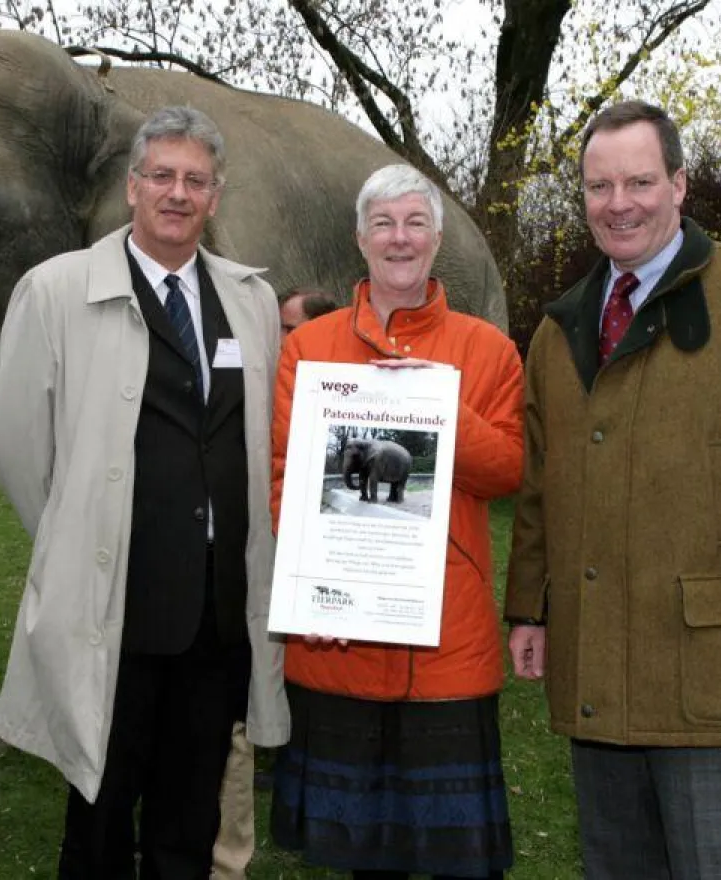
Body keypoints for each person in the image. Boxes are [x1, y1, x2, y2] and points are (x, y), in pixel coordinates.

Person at [505, 100, 721, 878]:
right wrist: (530, 605)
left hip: (706, 660)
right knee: (617, 864)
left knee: (716, 863)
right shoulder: (561, 329)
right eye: (598, 186)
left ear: (680, 184)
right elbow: (538, 485)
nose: (618, 203)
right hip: (595, 657)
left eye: (639, 181)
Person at [0, 105, 288, 880]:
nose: (178, 193)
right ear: (131, 187)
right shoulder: (55, 293)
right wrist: (77, 535)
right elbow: (23, 447)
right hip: (112, 613)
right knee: (98, 817)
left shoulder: (250, 301)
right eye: (162, 175)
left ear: (216, 197)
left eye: (196, 180)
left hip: (217, 622)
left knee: (189, 821)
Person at [269, 164, 525, 879]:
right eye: (383, 224)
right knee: (366, 863)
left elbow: (508, 469)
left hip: (448, 646)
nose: (400, 238)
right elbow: (285, 479)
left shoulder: (488, 350)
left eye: (415, 223)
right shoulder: (307, 347)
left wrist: (441, 410)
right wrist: (309, 584)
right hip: (340, 641)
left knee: (458, 864)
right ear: (360, 239)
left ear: (437, 239)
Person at [211, 283, 335, 880]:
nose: (282, 343)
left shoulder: (339, 401)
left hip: (308, 573)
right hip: (236, 573)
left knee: (289, 690)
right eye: (278, 331)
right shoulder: (249, 390)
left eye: (293, 331)